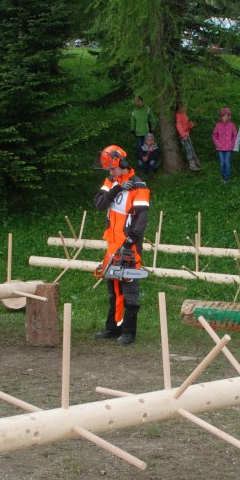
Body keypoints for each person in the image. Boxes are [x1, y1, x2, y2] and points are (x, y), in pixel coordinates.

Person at [92, 145, 151, 346]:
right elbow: (99, 204)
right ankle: (113, 327)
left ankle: (129, 332)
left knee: (129, 290)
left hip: (129, 246)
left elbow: (141, 219)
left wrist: (129, 241)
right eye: (109, 169)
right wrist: (117, 187)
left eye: (113, 168)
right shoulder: (111, 182)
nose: (111, 172)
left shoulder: (139, 185)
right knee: (113, 289)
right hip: (112, 245)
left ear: (123, 163)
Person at [211, 107, 238, 183]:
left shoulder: (232, 125)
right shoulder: (218, 125)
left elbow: (235, 135)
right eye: (224, 115)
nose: (225, 117)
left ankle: (227, 177)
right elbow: (214, 135)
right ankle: (222, 176)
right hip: (220, 148)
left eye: (227, 115)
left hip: (229, 148)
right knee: (222, 163)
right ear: (221, 116)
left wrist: (232, 143)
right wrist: (218, 144)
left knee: (227, 162)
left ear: (229, 116)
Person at [175, 102, 202, 172]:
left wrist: (190, 125)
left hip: (187, 134)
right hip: (183, 136)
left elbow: (185, 126)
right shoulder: (178, 115)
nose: (186, 108)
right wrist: (183, 135)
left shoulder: (183, 114)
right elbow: (179, 126)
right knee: (189, 149)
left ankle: (196, 161)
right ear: (180, 108)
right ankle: (192, 165)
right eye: (184, 107)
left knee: (191, 148)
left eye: (186, 106)